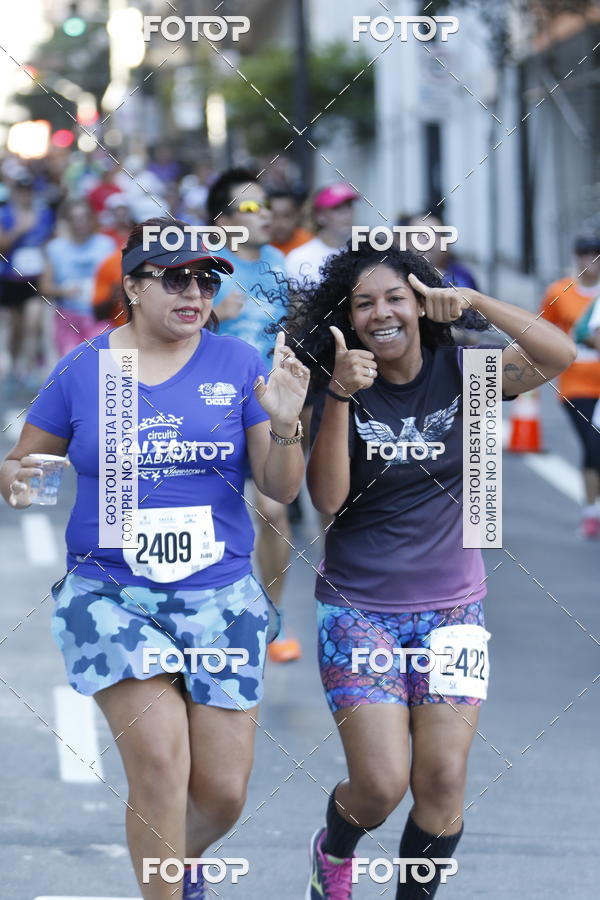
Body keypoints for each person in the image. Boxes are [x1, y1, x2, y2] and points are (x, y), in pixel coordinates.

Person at [0, 218, 309, 900]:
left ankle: (169, 858)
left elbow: (281, 487)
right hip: (112, 597)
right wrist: (16, 478)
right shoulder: (88, 367)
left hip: (221, 596)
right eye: (175, 278)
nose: (194, 291)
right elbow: (23, 458)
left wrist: (287, 423)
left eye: (205, 279)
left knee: (223, 795)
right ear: (134, 287)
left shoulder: (237, 364)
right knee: (162, 768)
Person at [279, 242, 575, 899]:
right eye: (363, 304)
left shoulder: (465, 371)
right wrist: (336, 397)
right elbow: (325, 501)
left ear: (421, 304)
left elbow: (560, 355)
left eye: (395, 298)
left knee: (442, 781)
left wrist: (475, 305)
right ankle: (334, 850)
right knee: (381, 786)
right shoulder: (339, 384)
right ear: (346, 319)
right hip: (360, 610)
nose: (380, 313)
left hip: (453, 610)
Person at [207, 167, 302, 663]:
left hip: (266, 407)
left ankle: (273, 617)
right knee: (217, 515)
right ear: (221, 219)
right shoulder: (206, 268)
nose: (263, 214)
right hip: (211, 409)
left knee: (274, 510)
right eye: (249, 207)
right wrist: (216, 308)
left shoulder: (278, 260)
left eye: (265, 205)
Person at [540, 233, 600, 537]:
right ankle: (591, 511)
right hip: (576, 383)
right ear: (575, 256)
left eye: (596, 253)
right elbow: (543, 333)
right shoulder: (559, 291)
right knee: (593, 444)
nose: (590, 260)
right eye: (584, 253)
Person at [40, 198, 116, 356]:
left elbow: (118, 280)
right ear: (67, 222)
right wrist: (65, 291)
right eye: (74, 218)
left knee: (106, 369)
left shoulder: (106, 245)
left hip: (100, 315)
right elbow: (44, 287)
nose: (80, 223)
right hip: (68, 318)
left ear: (91, 219)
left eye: (84, 217)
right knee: (73, 367)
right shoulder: (55, 248)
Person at [0, 172, 55, 388]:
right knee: (15, 326)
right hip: (10, 278)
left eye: (29, 190)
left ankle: (27, 366)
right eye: (21, 191)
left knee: (32, 323)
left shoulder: (43, 214)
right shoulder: (5, 214)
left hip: (35, 278)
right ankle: (12, 362)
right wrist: (20, 229)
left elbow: (48, 241)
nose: (25, 195)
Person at [286, 183, 358, 283]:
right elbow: (295, 298)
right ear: (320, 216)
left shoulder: (365, 253)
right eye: (337, 208)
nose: (346, 213)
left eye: (349, 206)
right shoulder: (298, 258)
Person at [268, 187, 312, 256]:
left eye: (286, 216)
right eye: (274, 216)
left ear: (297, 216)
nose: (280, 224)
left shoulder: (309, 244)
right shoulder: (258, 246)